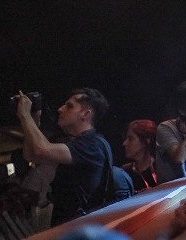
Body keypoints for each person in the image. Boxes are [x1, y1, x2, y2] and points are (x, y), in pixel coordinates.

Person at [14, 88, 111, 224]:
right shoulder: (76, 142)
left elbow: (41, 149)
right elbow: (31, 155)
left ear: (85, 114)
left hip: (80, 229)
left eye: (69, 106)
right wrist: (34, 121)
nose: (60, 109)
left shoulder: (92, 144)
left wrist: (25, 116)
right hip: (72, 226)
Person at [121, 120, 158, 192]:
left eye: (130, 138)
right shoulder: (125, 172)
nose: (124, 143)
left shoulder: (160, 168)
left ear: (146, 141)